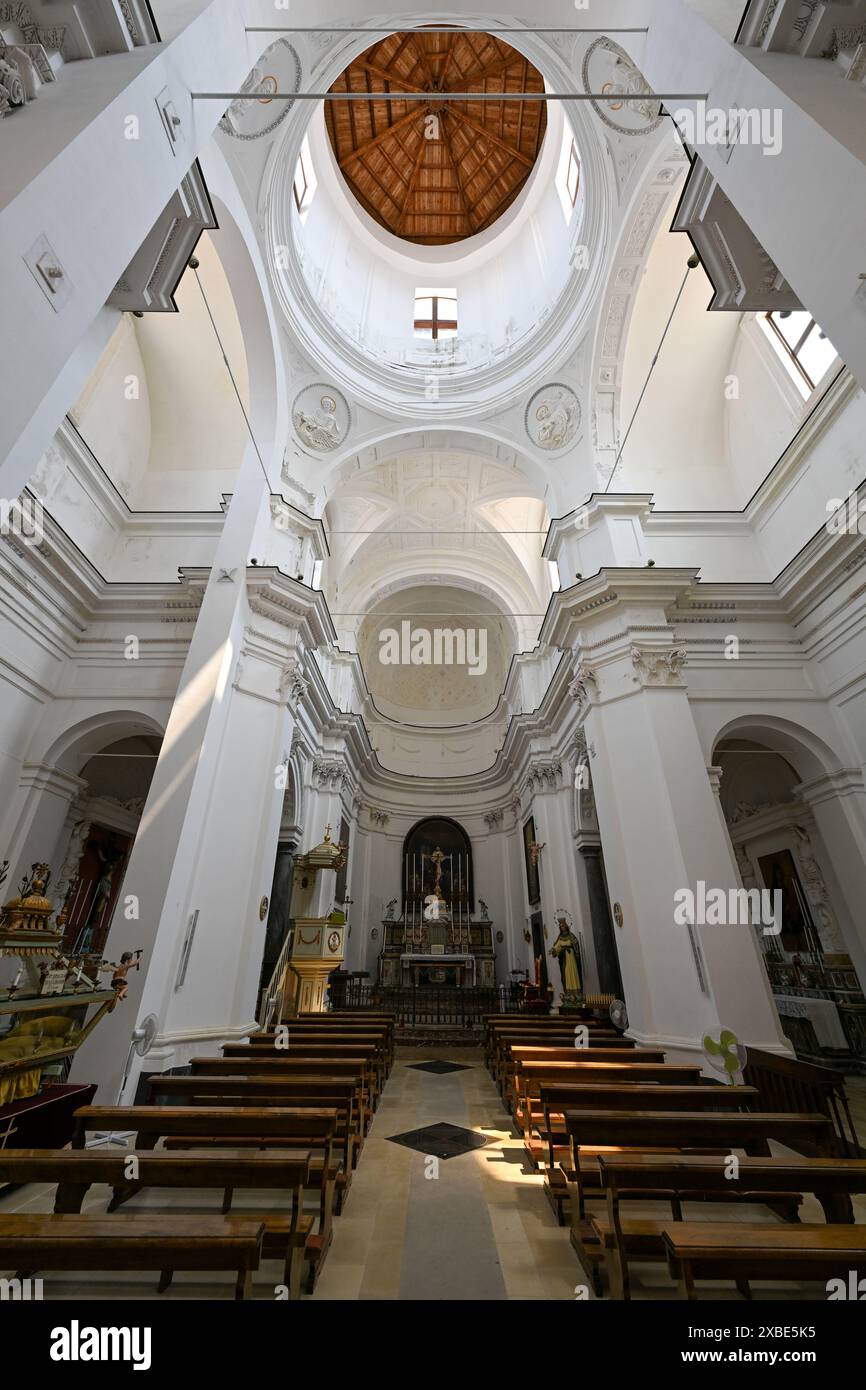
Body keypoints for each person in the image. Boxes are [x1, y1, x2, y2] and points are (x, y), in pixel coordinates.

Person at [550, 916, 582, 993]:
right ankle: (568, 992)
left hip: (571, 957)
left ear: (566, 926)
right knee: (566, 974)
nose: (562, 927)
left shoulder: (571, 935)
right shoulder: (560, 937)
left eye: (563, 926)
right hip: (564, 959)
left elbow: (575, 943)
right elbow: (557, 947)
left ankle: (576, 992)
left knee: (574, 973)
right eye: (560, 926)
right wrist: (553, 950)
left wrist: (575, 947)